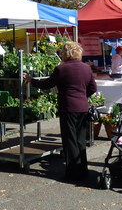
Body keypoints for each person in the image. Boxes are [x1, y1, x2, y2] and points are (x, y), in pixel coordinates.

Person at [24, 41, 97, 182]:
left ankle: (72, 174)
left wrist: (31, 80)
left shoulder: (61, 69)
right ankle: (83, 171)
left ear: (66, 53)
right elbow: (93, 88)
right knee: (80, 140)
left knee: (70, 141)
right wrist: (82, 96)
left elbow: (46, 84)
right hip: (82, 107)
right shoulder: (86, 68)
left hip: (68, 107)